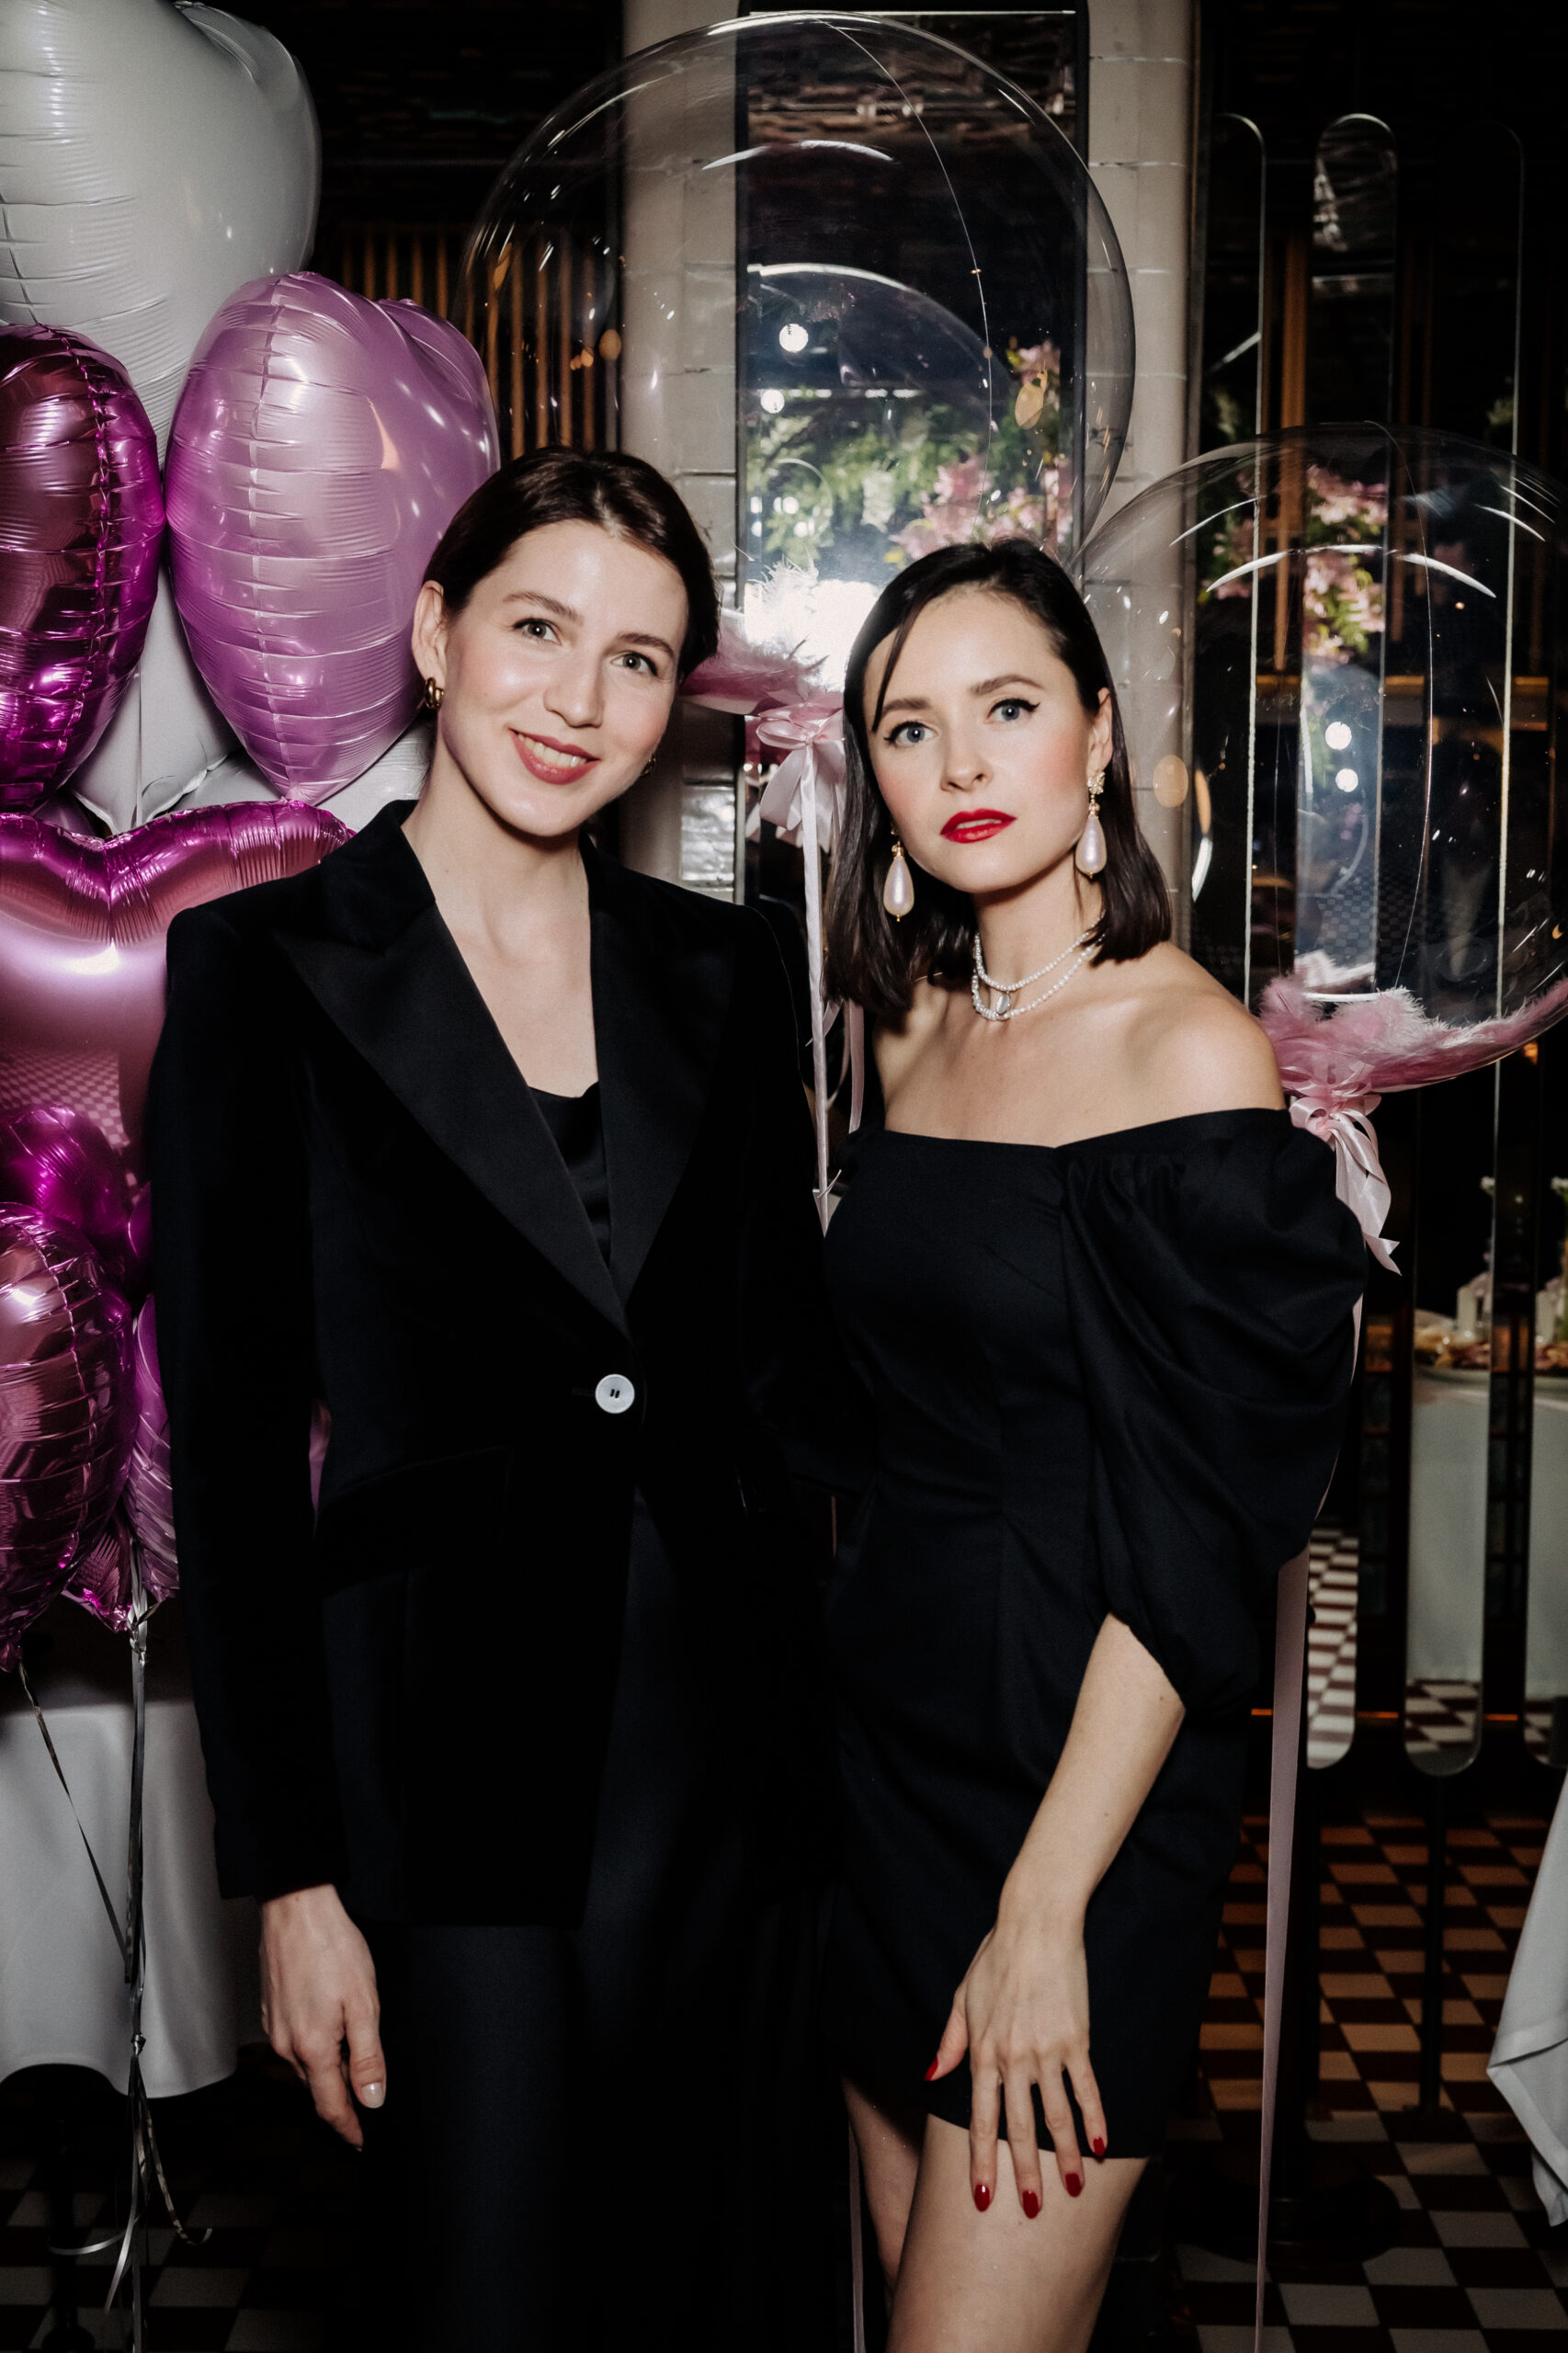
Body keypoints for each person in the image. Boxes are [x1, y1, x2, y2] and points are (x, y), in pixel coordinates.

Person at [148, 449, 861, 2349]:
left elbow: (788, 1388)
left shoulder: (723, 967)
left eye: (638, 661)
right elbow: (230, 1455)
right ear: (435, 631)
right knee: (489, 2285)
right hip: (443, 1773)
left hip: (734, 1771)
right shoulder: (260, 969)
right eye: (539, 629)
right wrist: (289, 1877)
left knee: (722, 2288)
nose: (577, 699)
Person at [817, 540, 1365, 2353]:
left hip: (1084, 1794)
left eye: (1008, 706)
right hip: (885, 1759)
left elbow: (1196, 1528)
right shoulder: (901, 1021)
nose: (961, 761)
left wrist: (1047, 1901)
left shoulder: (1187, 1053)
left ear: (1101, 736)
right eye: (909, 726)